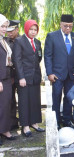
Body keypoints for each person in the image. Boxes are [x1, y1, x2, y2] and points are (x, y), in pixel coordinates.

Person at [44, 14, 74, 130]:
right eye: (66, 26)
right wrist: (49, 73)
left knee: (69, 97)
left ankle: (67, 120)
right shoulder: (52, 36)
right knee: (56, 97)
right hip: (57, 74)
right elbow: (48, 56)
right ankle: (56, 122)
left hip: (71, 74)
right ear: (60, 24)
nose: (68, 29)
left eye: (70, 26)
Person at [12, 20, 44, 137]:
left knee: (35, 100)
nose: (33, 32)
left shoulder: (38, 42)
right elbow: (17, 60)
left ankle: (34, 123)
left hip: (35, 76)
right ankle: (25, 126)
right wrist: (21, 77)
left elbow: (39, 57)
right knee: (24, 101)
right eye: (31, 29)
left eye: (35, 30)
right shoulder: (19, 41)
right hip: (24, 77)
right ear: (26, 29)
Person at [0, 14, 16, 145]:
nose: (4, 29)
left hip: (6, 77)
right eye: (2, 26)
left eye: (6, 26)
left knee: (6, 105)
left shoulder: (3, 40)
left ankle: (5, 129)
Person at [5, 20, 20, 130]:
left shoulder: (22, 40)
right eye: (7, 31)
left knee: (24, 99)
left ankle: (24, 121)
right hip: (9, 76)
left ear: (17, 30)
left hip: (21, 75)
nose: (9, 33)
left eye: (11, 31)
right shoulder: (4, 41)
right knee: (10, 100)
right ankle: (12, 122)